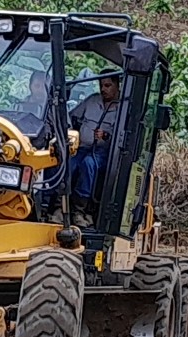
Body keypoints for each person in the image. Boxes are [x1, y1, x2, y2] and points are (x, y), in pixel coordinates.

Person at [55, 74, 120, 227]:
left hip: (103, 152)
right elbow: (71, 116)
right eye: (101, 85)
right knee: (68, 164)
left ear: (118, 86)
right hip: (82, 147)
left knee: (88, 164)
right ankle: (59, 208)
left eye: (107, 86)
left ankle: (80, 210)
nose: (103, 89)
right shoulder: (92, 100)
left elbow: (123, 137)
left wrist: (106, 136)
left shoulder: (122, 108)